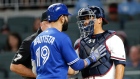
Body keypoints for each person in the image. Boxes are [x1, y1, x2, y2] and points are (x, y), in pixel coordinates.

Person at [30, 3, 106, 79]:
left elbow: (34, 70)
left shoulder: (36, 40)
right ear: (62, 18)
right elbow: (77, 65)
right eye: (66, 17)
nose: (67, 19)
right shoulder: (62, 38)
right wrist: (92, 58)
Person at [74, 6, 126, 79]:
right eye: (83, 19)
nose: (85, 22)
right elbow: (73, 70)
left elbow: (120, 66)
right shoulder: (79, 42)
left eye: (88, 18)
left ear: (99, 20)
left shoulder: (113, 39)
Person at [10, 11, 50, 79]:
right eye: (48, 23)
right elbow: (15, 66)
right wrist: (38, 76)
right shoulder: (31, 41)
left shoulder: (59, 40)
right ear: (41, 24)